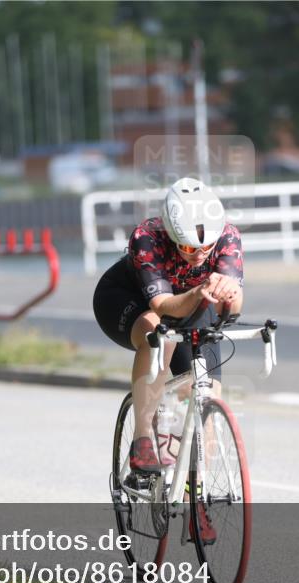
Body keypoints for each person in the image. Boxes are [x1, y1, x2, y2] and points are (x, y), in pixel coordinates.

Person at [93, 177, 243, 478]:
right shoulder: (147, 237)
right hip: (128, 299)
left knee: (206, 396)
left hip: (192, 301)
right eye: (188, 247)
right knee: (159, 336)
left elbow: (233, 307)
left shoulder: (227, 236)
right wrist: (200, 290)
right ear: (173, 235)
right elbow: (162, 306)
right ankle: (144, 438)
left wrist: (229, 295)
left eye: (207, 247)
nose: (199, 255)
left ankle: (195, 497)